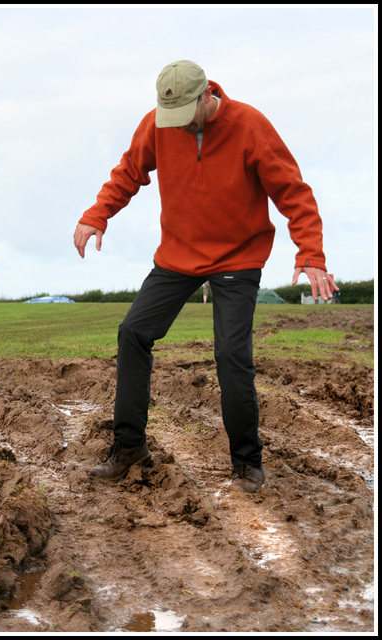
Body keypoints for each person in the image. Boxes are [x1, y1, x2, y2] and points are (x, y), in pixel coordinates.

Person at [73, 60, 338, 493]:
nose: (174, 127)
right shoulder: (158, 123)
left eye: (183, 116)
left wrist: (311, 254)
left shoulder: (250, 125)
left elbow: (293, 192)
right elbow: (128, 172)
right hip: (178, 254)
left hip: (238, 257)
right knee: (133, 332)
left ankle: (246, 463)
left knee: (231, 356)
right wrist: (96, 216)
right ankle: (129, 446)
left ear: (206, 97)